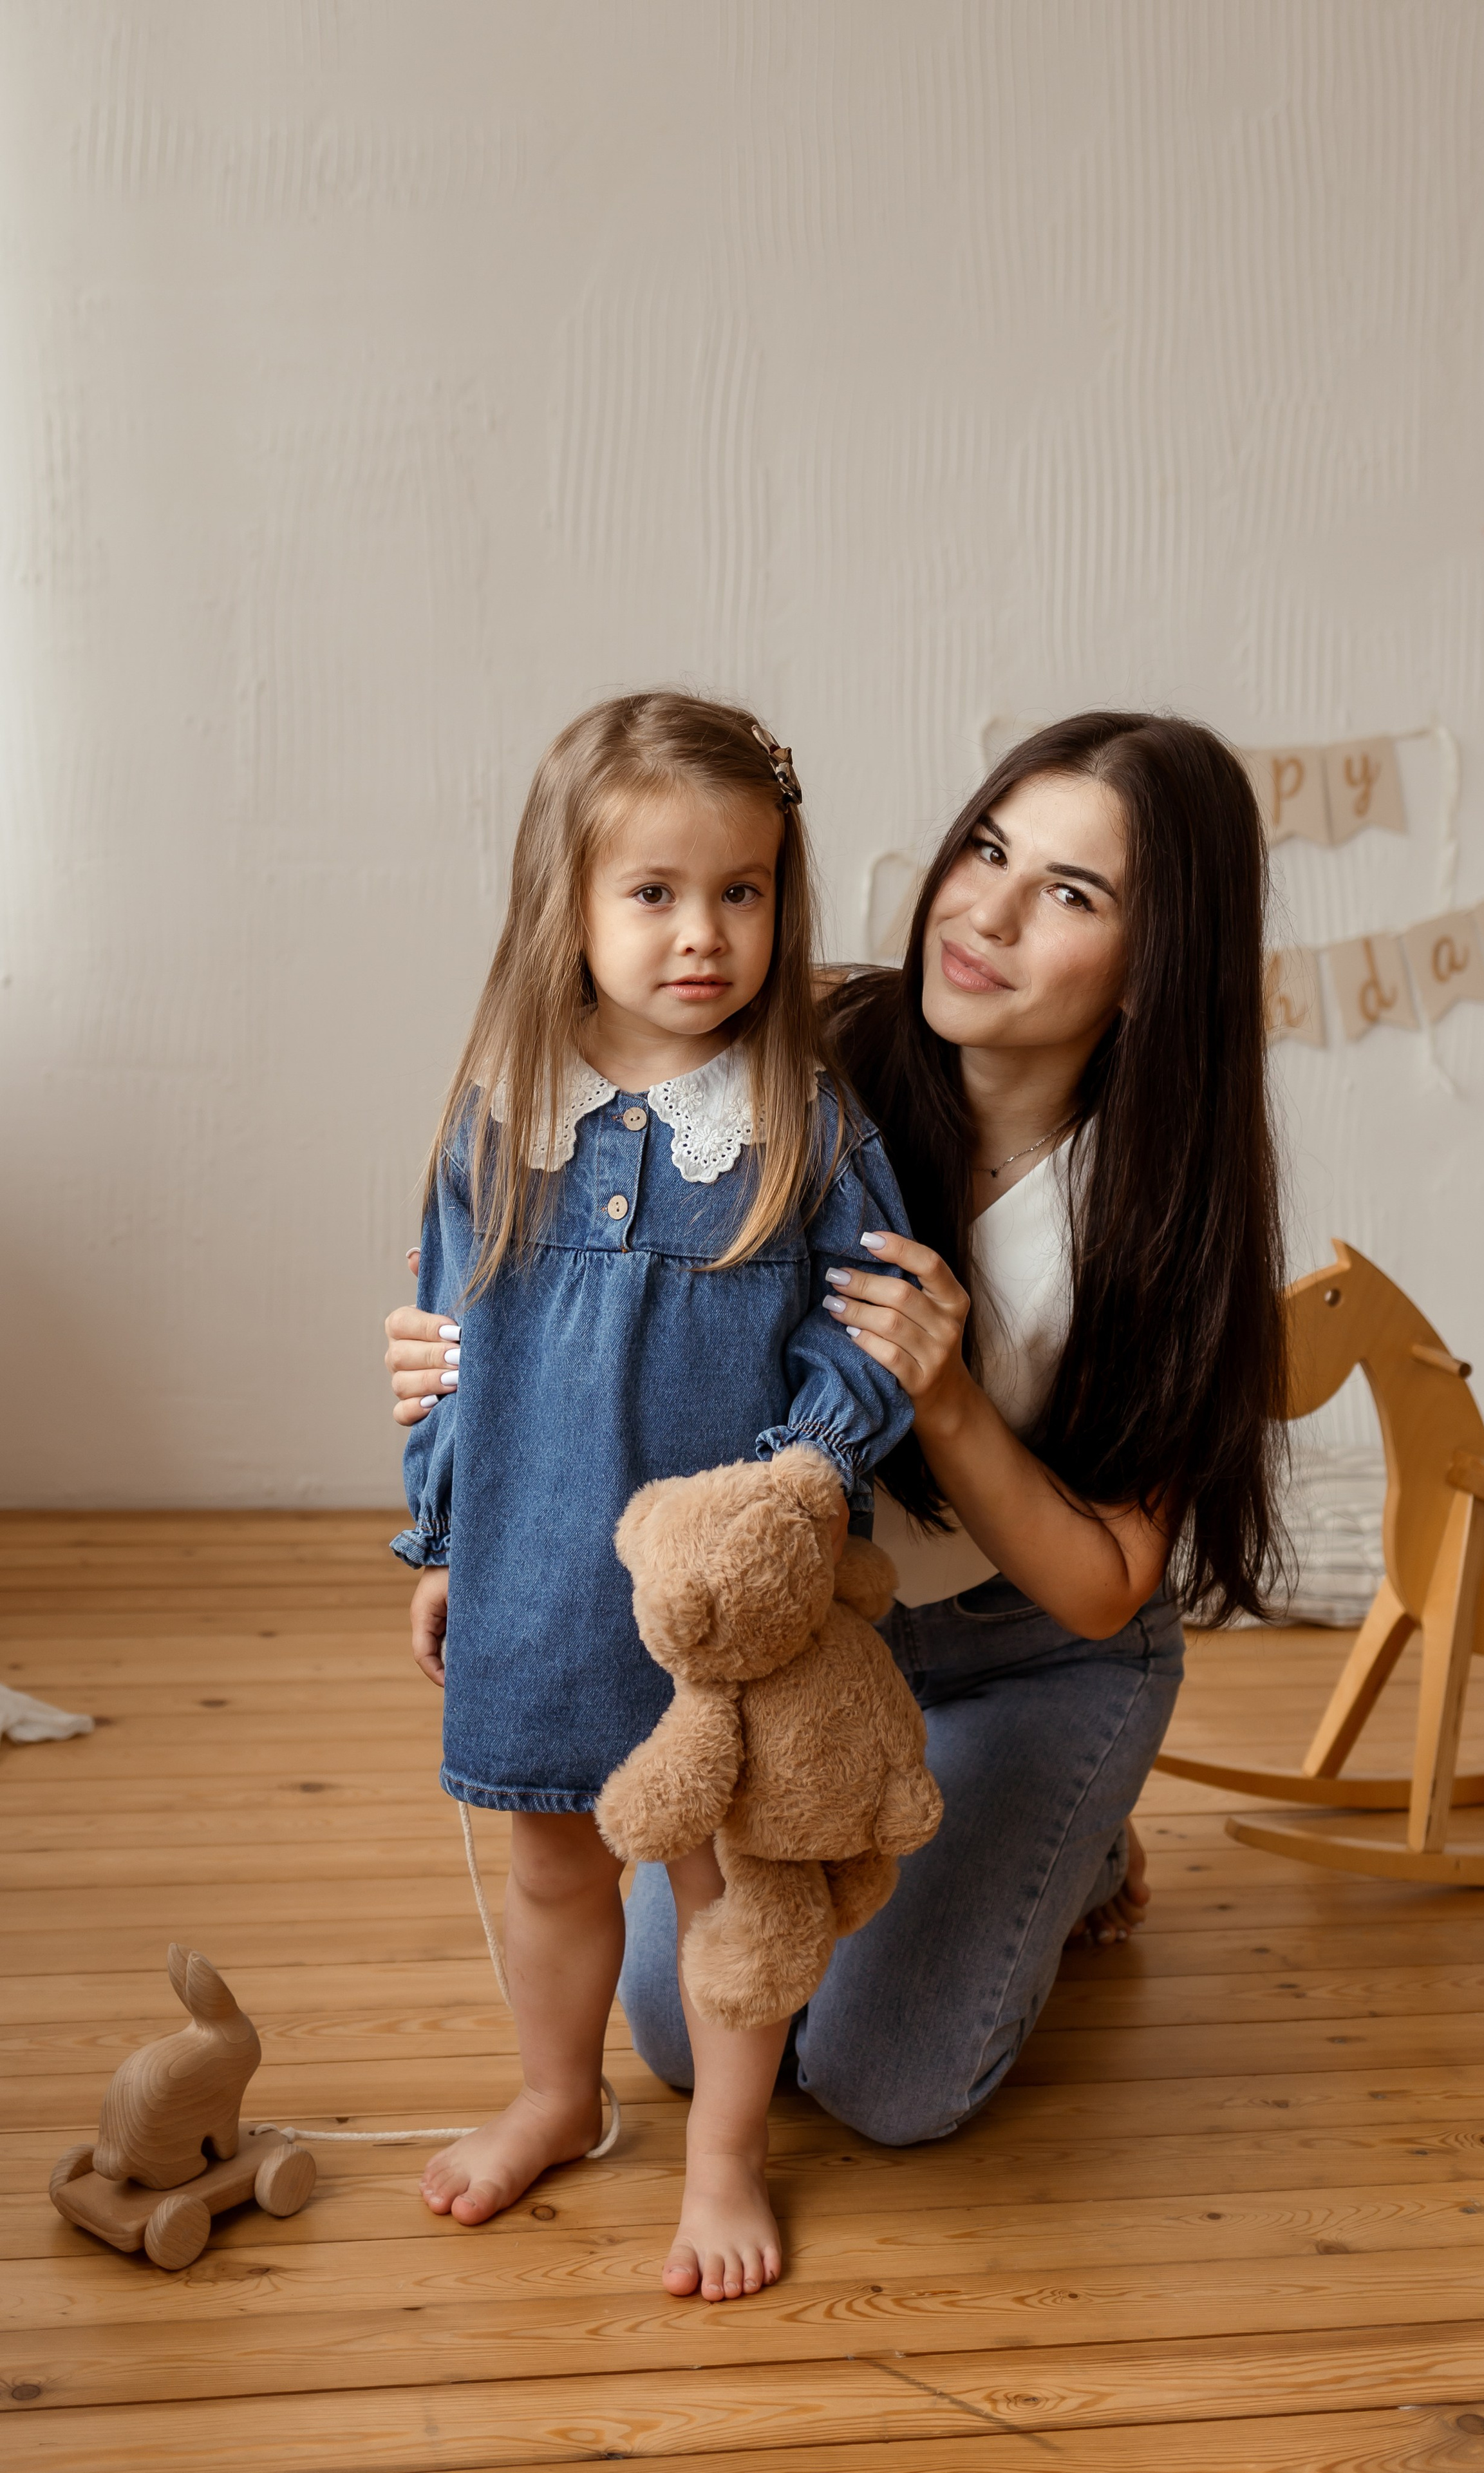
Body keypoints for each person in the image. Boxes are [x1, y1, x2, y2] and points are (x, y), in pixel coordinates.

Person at [388, 711, 1284, 2162]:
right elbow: (533, 1241)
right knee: (674, 2035)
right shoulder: (793, 1043)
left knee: (885, 2083)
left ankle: (1069, 1837)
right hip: (803, 1629)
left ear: (1155, 966)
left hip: (1031, 1647)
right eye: (985, 850)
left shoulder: (1159, 1215)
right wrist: (463, 1396)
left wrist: (944, 1395)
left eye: (1069, 892)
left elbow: (1107, 1582)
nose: (986, 913)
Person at [393, 690, 914, 2302]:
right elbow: (449, 1352)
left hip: (723, 1608)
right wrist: (444, 1541)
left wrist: (803, 1479)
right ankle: (556, 2097)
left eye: (739, 891)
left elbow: (870, 1329)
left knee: (728, 1883)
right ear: (567, 903)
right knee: (553, 1863)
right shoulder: (501, 1114)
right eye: (654, 892)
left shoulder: (802, 1121)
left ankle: (723, 2160)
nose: (702, 933)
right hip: (540, 1576)